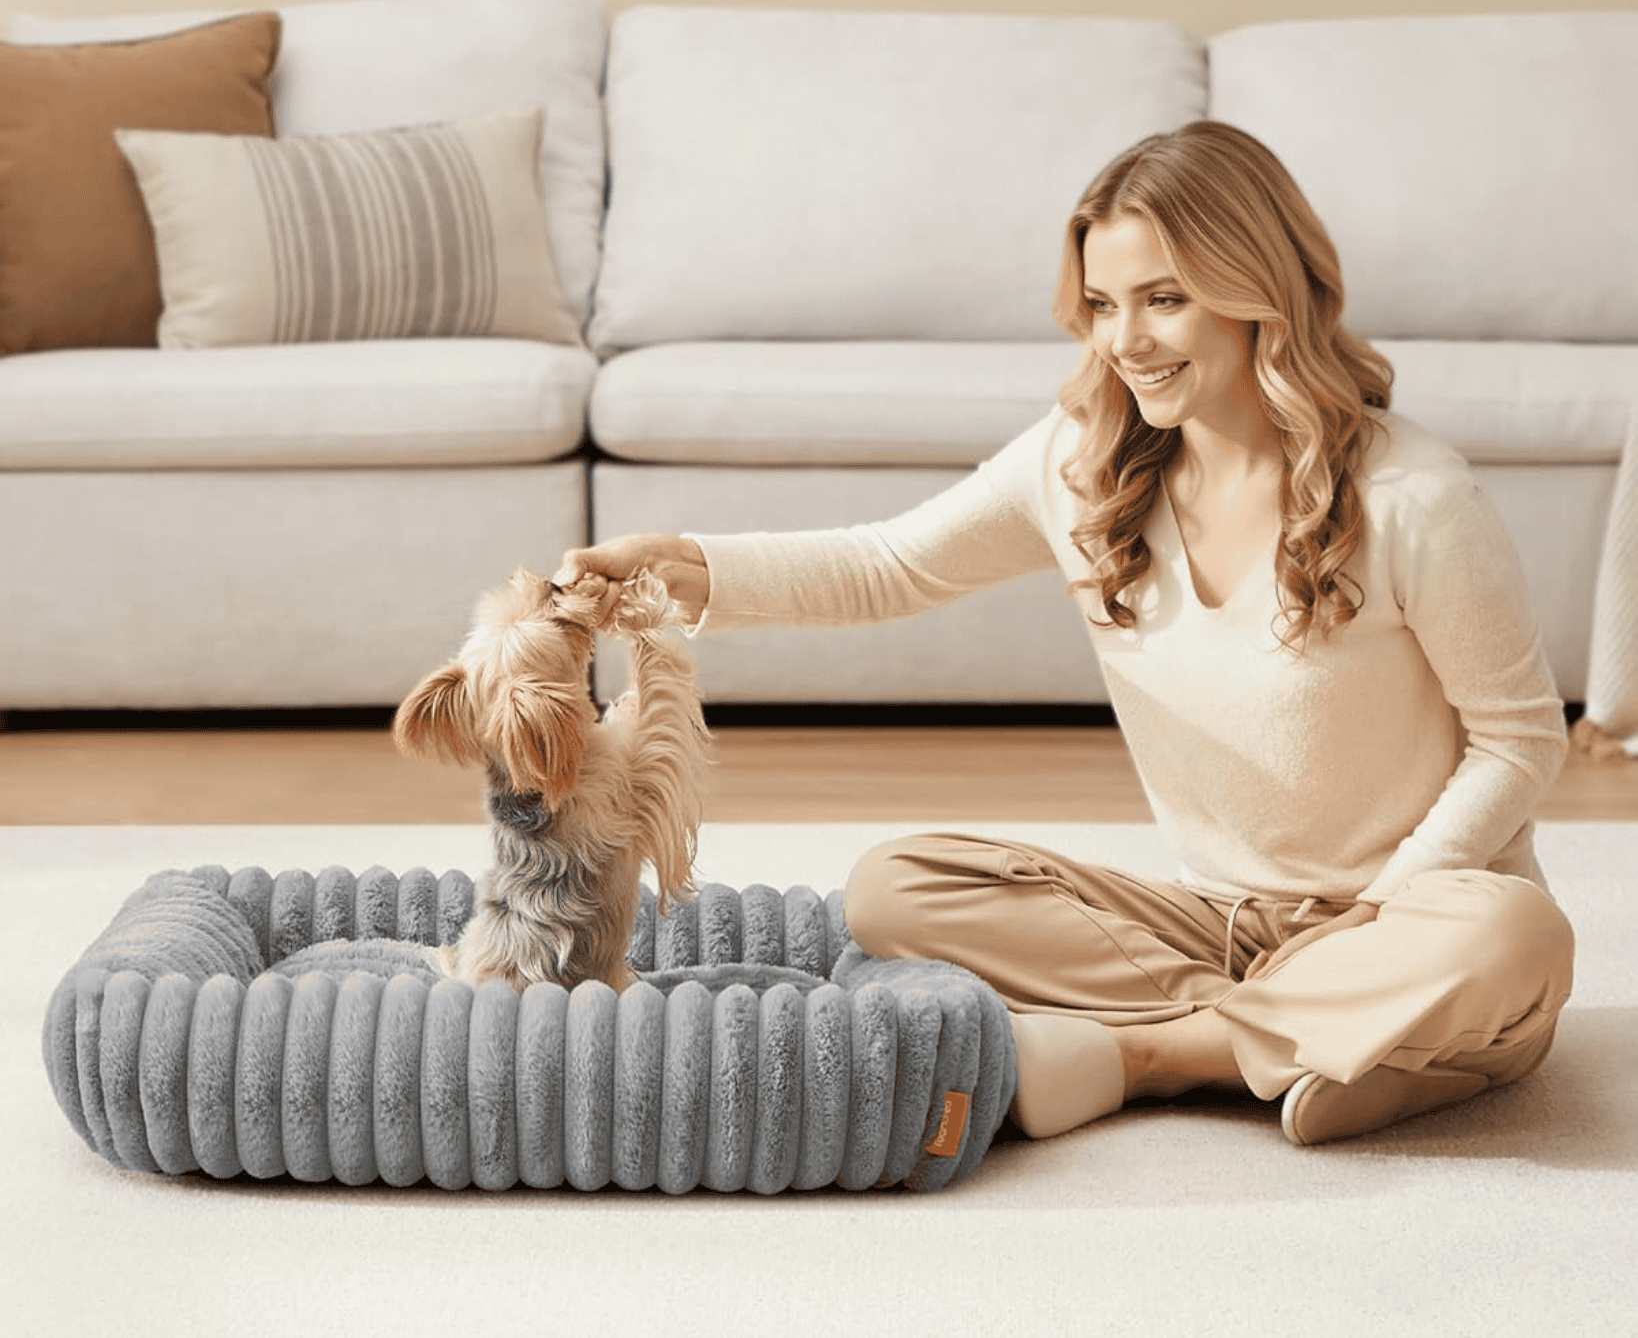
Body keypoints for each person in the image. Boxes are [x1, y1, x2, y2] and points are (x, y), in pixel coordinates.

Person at [555, 119, 1575, 1146]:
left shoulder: (1414, 496)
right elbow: (889, 563)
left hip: (1409, 916)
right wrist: (686, 562)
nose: (1125, 341)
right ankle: (1330, 1044)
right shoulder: (1082, 464)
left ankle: (1154, 1055)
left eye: (1164, 300)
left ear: (1258, 290)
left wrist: (1374, 920)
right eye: (1101, 304)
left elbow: (1520, 739)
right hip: (1211, 927)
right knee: (895, 889)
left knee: (1514, 933)